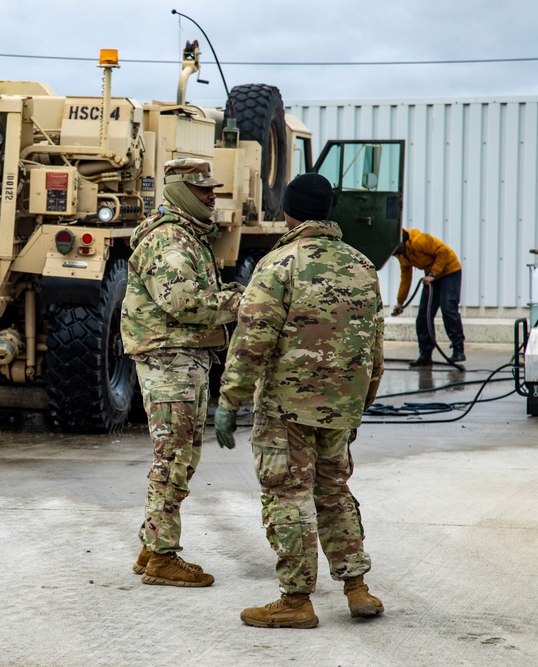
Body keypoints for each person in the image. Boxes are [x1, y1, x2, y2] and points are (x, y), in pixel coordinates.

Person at [215, 173, 384, 628]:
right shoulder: (362, 265)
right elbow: (375, 341)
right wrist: (362, 400)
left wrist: (229, 401)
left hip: (287, 408)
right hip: (341, 406)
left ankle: (296, 599)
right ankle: (357, 589)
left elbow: (253, 340)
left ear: (288, 212)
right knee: (334, 493)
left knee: (286, 496)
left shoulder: (278, 265)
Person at [120, 158, 243, 588]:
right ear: (179, 192)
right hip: (170, 358)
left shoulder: (188, 235)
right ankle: (164, 558)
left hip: (182, 358)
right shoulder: (171, 240)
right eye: (203, 189)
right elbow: (184, 304)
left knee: (181, 455)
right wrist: (239, 304)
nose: (212, 195)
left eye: (211, 188)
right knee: (173, 457)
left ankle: (152, 544)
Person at [390, 228, 465, 365]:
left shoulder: (419, 241)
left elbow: (444, 252)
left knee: (448, 309)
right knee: (423, 316)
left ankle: (458, 350)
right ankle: (425, 354)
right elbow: (405, 278)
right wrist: (400, 302)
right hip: (432, 277)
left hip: (450, 271)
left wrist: (433, 274)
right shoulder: (402, 255)